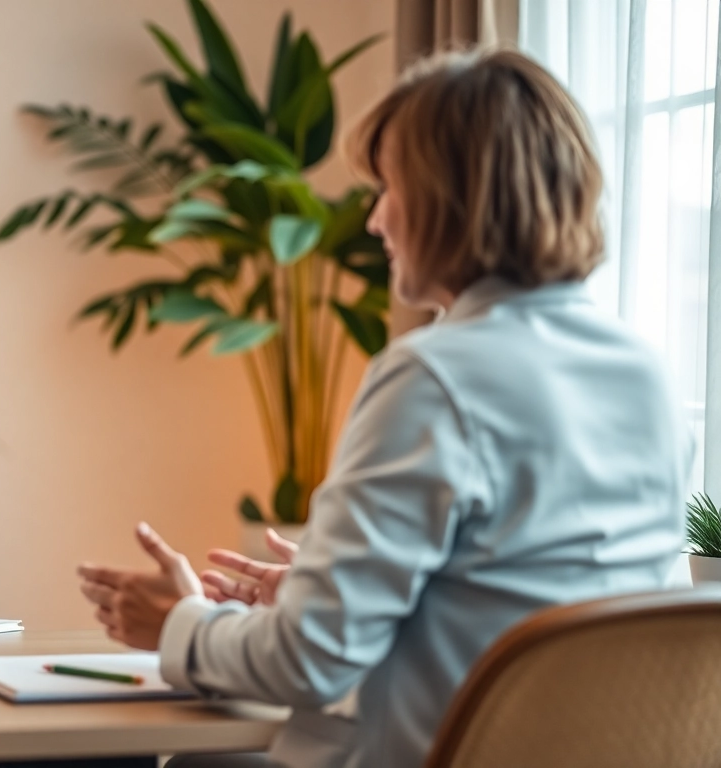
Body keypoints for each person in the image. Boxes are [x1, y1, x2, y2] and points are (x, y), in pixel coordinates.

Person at [77, 49, 691, 768]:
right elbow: (535, 598)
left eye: (388, 188)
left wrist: (180, 622)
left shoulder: (436, 375)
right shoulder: (648, 373)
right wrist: (340, 590)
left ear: (446, 199)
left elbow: (309, 664)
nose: (374, 221)